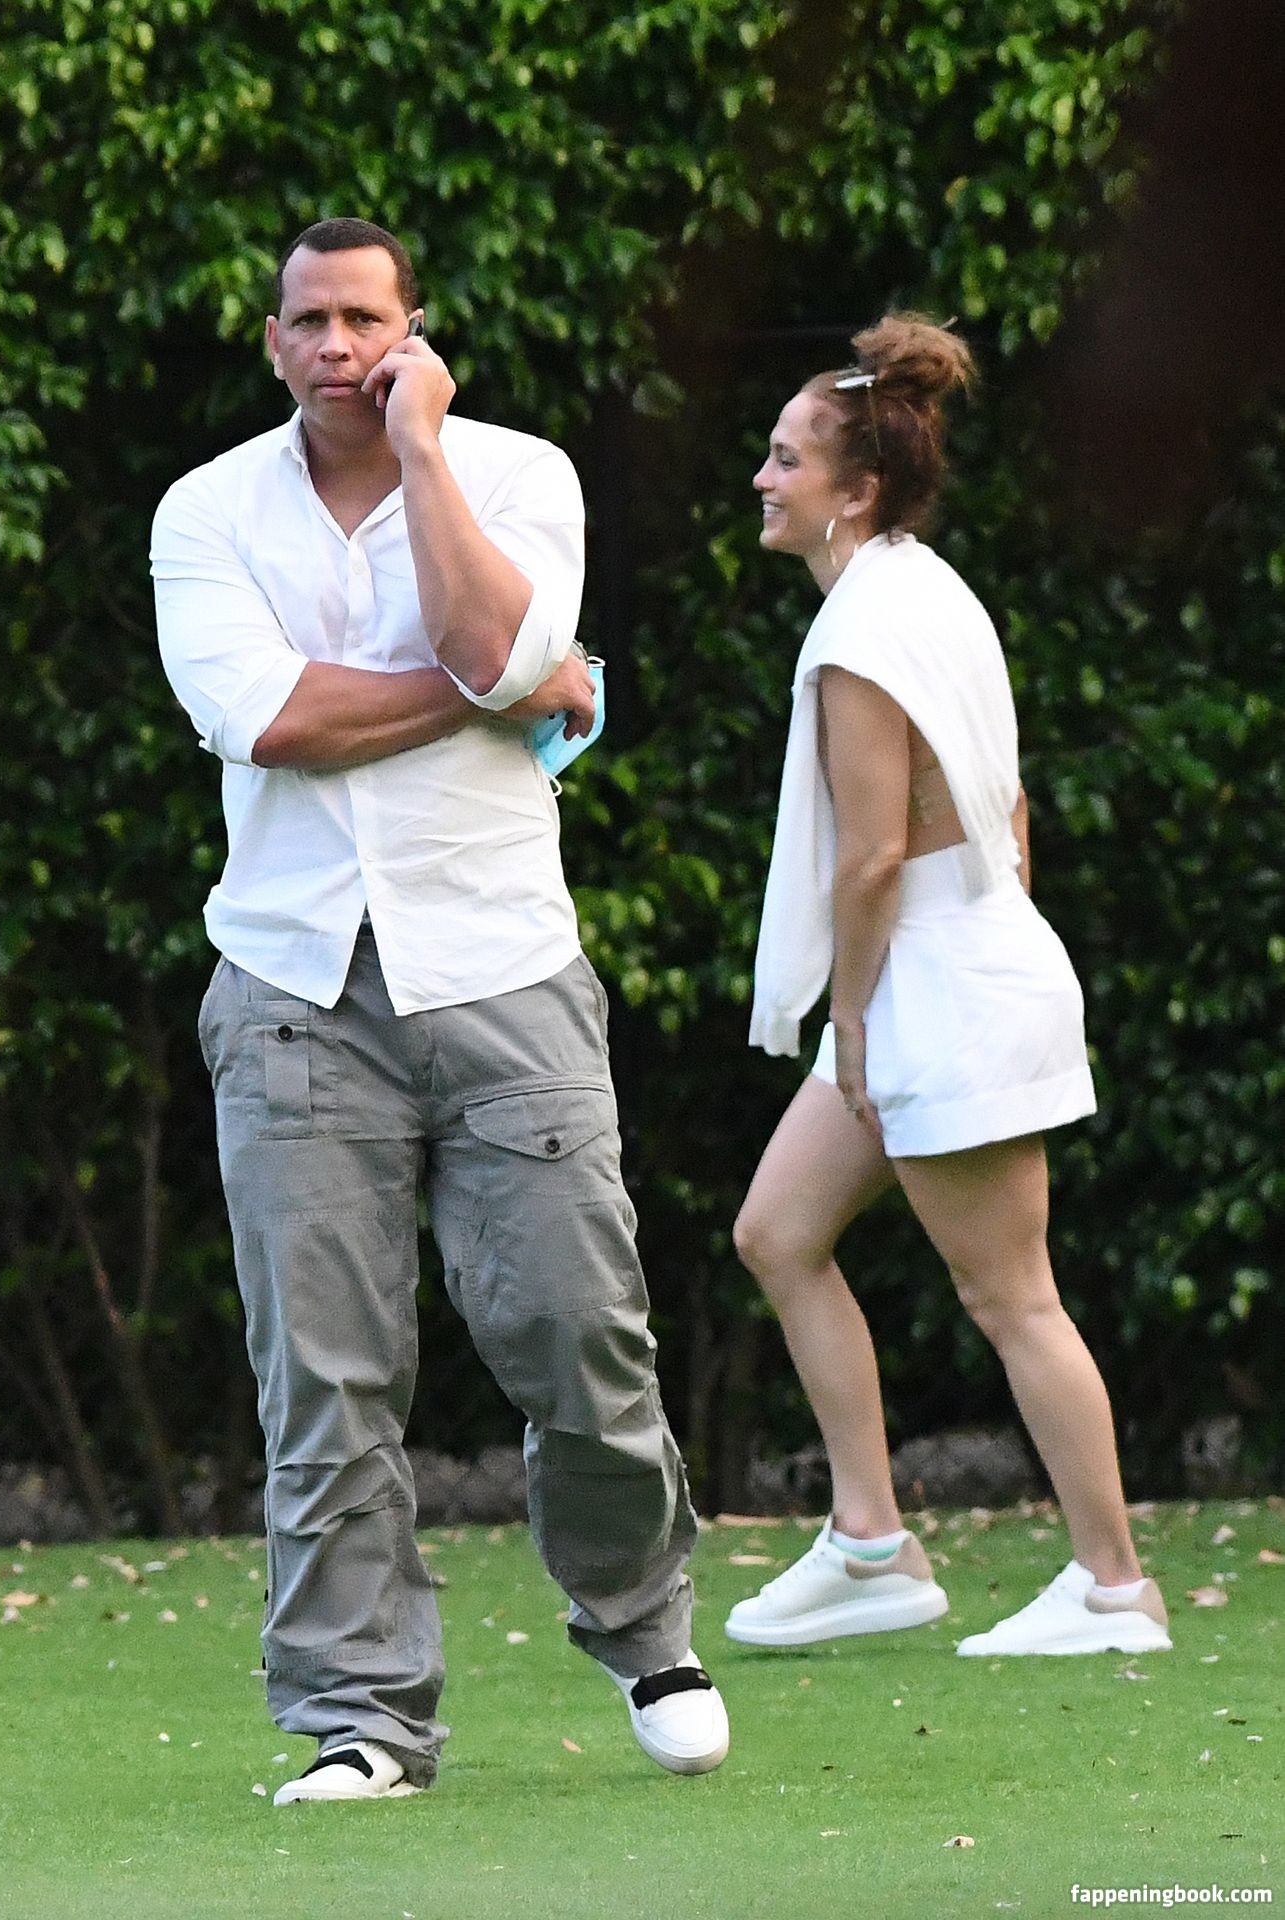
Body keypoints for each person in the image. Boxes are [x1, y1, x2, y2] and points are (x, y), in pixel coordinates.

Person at [151, 216, 728, 1800]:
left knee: (577, 1332)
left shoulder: (517, 473)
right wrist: (515, 693)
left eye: (362, 320)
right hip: (289, 988)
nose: (334, 347)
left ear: (410, 332)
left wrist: (421, 457)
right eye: (307, 322)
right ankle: (363, 1720)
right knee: (322, 1379)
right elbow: (273, 719)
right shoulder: (206, 508)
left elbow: (485, 629)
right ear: (271, 342)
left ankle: (644, 1630)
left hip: (503, 971)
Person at [724, 314, 1172, 1659]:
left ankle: (1114, 1590)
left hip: (931, 985)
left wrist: (859, 1015)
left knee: (1011, 1297)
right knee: (777, 1233)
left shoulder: (864, 632)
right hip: (953, 965)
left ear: (855, 491)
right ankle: (872, 1544)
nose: (762, 477)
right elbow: (1005, 808)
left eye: (786, 458)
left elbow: (870, 857)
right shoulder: (922, 587)